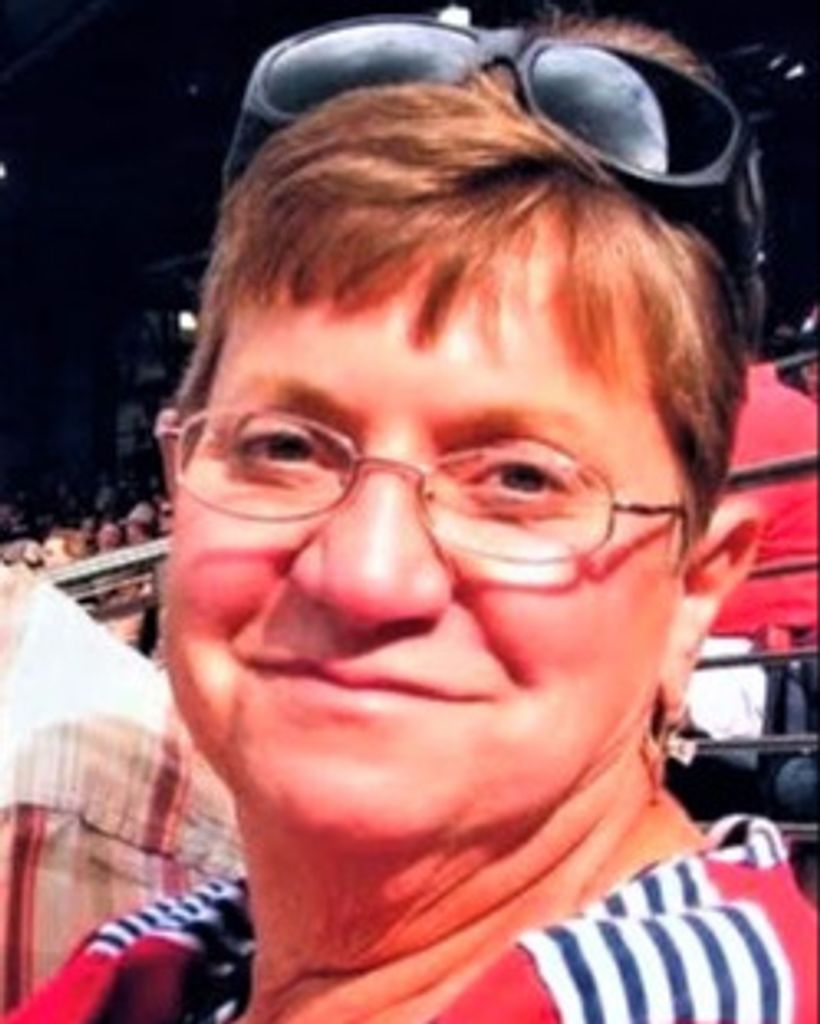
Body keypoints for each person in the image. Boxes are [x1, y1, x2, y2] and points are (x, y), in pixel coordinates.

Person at [5, 11, 816, 1024]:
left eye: (520, 479)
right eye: (284, 447)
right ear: (181, 477)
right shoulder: (152, 967)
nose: (367, 573)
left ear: (694, 587)